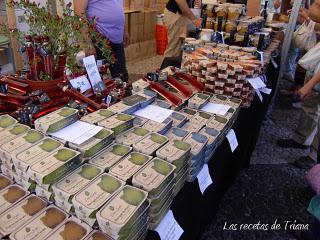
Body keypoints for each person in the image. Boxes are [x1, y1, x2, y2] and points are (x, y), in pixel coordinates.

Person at [74, 0, 129, 81]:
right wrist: (88, 44)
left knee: (122, 80)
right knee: (98, 84)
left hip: (117, 40)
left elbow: (119, 7)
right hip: (98, 40)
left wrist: (125, 30)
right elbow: (78, 14)